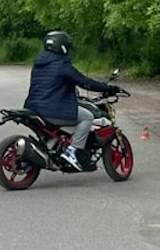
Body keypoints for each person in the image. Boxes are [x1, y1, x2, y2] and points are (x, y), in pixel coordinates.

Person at [23, 30, 121, 171]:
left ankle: (58, 146)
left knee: (74, 117)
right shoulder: (61, 64)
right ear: (61, 46)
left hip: (34, 107)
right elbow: (84, 82)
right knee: (87, 116)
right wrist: (107, 88)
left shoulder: (39, 63)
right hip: (53, 109)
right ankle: (73, 151)